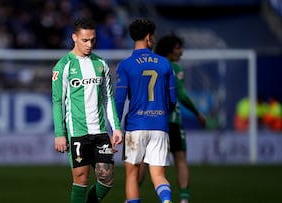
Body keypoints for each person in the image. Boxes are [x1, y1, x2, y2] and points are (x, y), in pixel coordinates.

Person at [51, 18, 123, 203]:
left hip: (100, 132)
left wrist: (116, 128)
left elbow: (108, 98)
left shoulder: (101, 64)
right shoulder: (63, 66)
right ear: (74, 37)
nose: (89, 44)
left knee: (106, 180)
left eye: (93, 40)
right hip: (77, 132)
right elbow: (57, 101)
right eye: (85, 40)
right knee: (81, 179)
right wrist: (60, 133)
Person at [138, 33, 207, 203]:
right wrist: (197, 113)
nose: (181, 52)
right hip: (172, 121)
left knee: (143, 162)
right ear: (169, 51)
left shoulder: (150, 66)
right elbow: (181, 94)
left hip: (150, 120)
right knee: (180, 159)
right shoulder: (174, 68)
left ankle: (132, 196)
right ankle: (184, 199)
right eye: (178, 48)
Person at [115, 18, 177, 203]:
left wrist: (116, 127)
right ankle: (166, 201)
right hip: (159, 125)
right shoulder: (165, 64)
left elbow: (119, 99)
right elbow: (172, 100)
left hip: (135, 126)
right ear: (149, 37)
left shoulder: (125, 65)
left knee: (132, 176)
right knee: (158, 175)